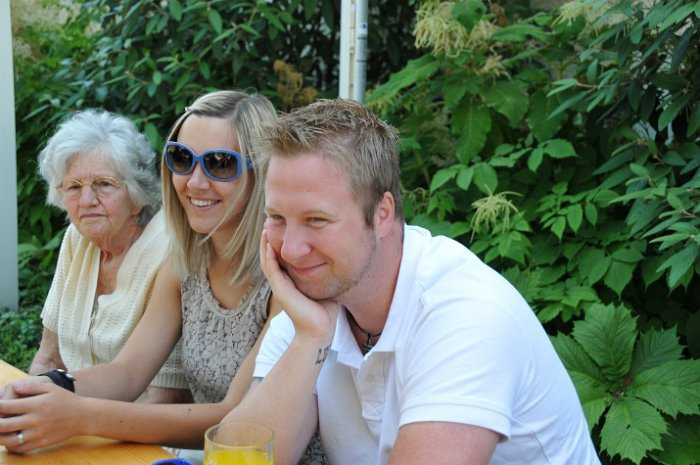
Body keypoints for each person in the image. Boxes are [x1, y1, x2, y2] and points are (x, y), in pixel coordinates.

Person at [224, 99, 602, 465]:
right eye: (277, 218)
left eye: (316, 220)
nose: (291, 250)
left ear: (382, 214)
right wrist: (309, 336)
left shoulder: (465, 316)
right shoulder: (313, 303)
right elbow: (237, 457)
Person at [0, 91, 312, 460]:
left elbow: (234, 418)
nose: (195, 182)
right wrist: (43, 389)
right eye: (182, 159)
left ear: (261, 172)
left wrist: (79, 416)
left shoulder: (287, 274)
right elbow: (128, 373)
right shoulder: (188, 261)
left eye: (221, 164)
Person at [29, 109, 187, 403]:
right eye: (73, 187)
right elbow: (48, 359)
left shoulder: (170, 249)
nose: (87, 200)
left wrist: (72, 420)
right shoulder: (77, 239)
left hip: (139, 426)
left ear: (137, 192)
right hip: (70, 418)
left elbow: (165, 397)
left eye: (103, 184)